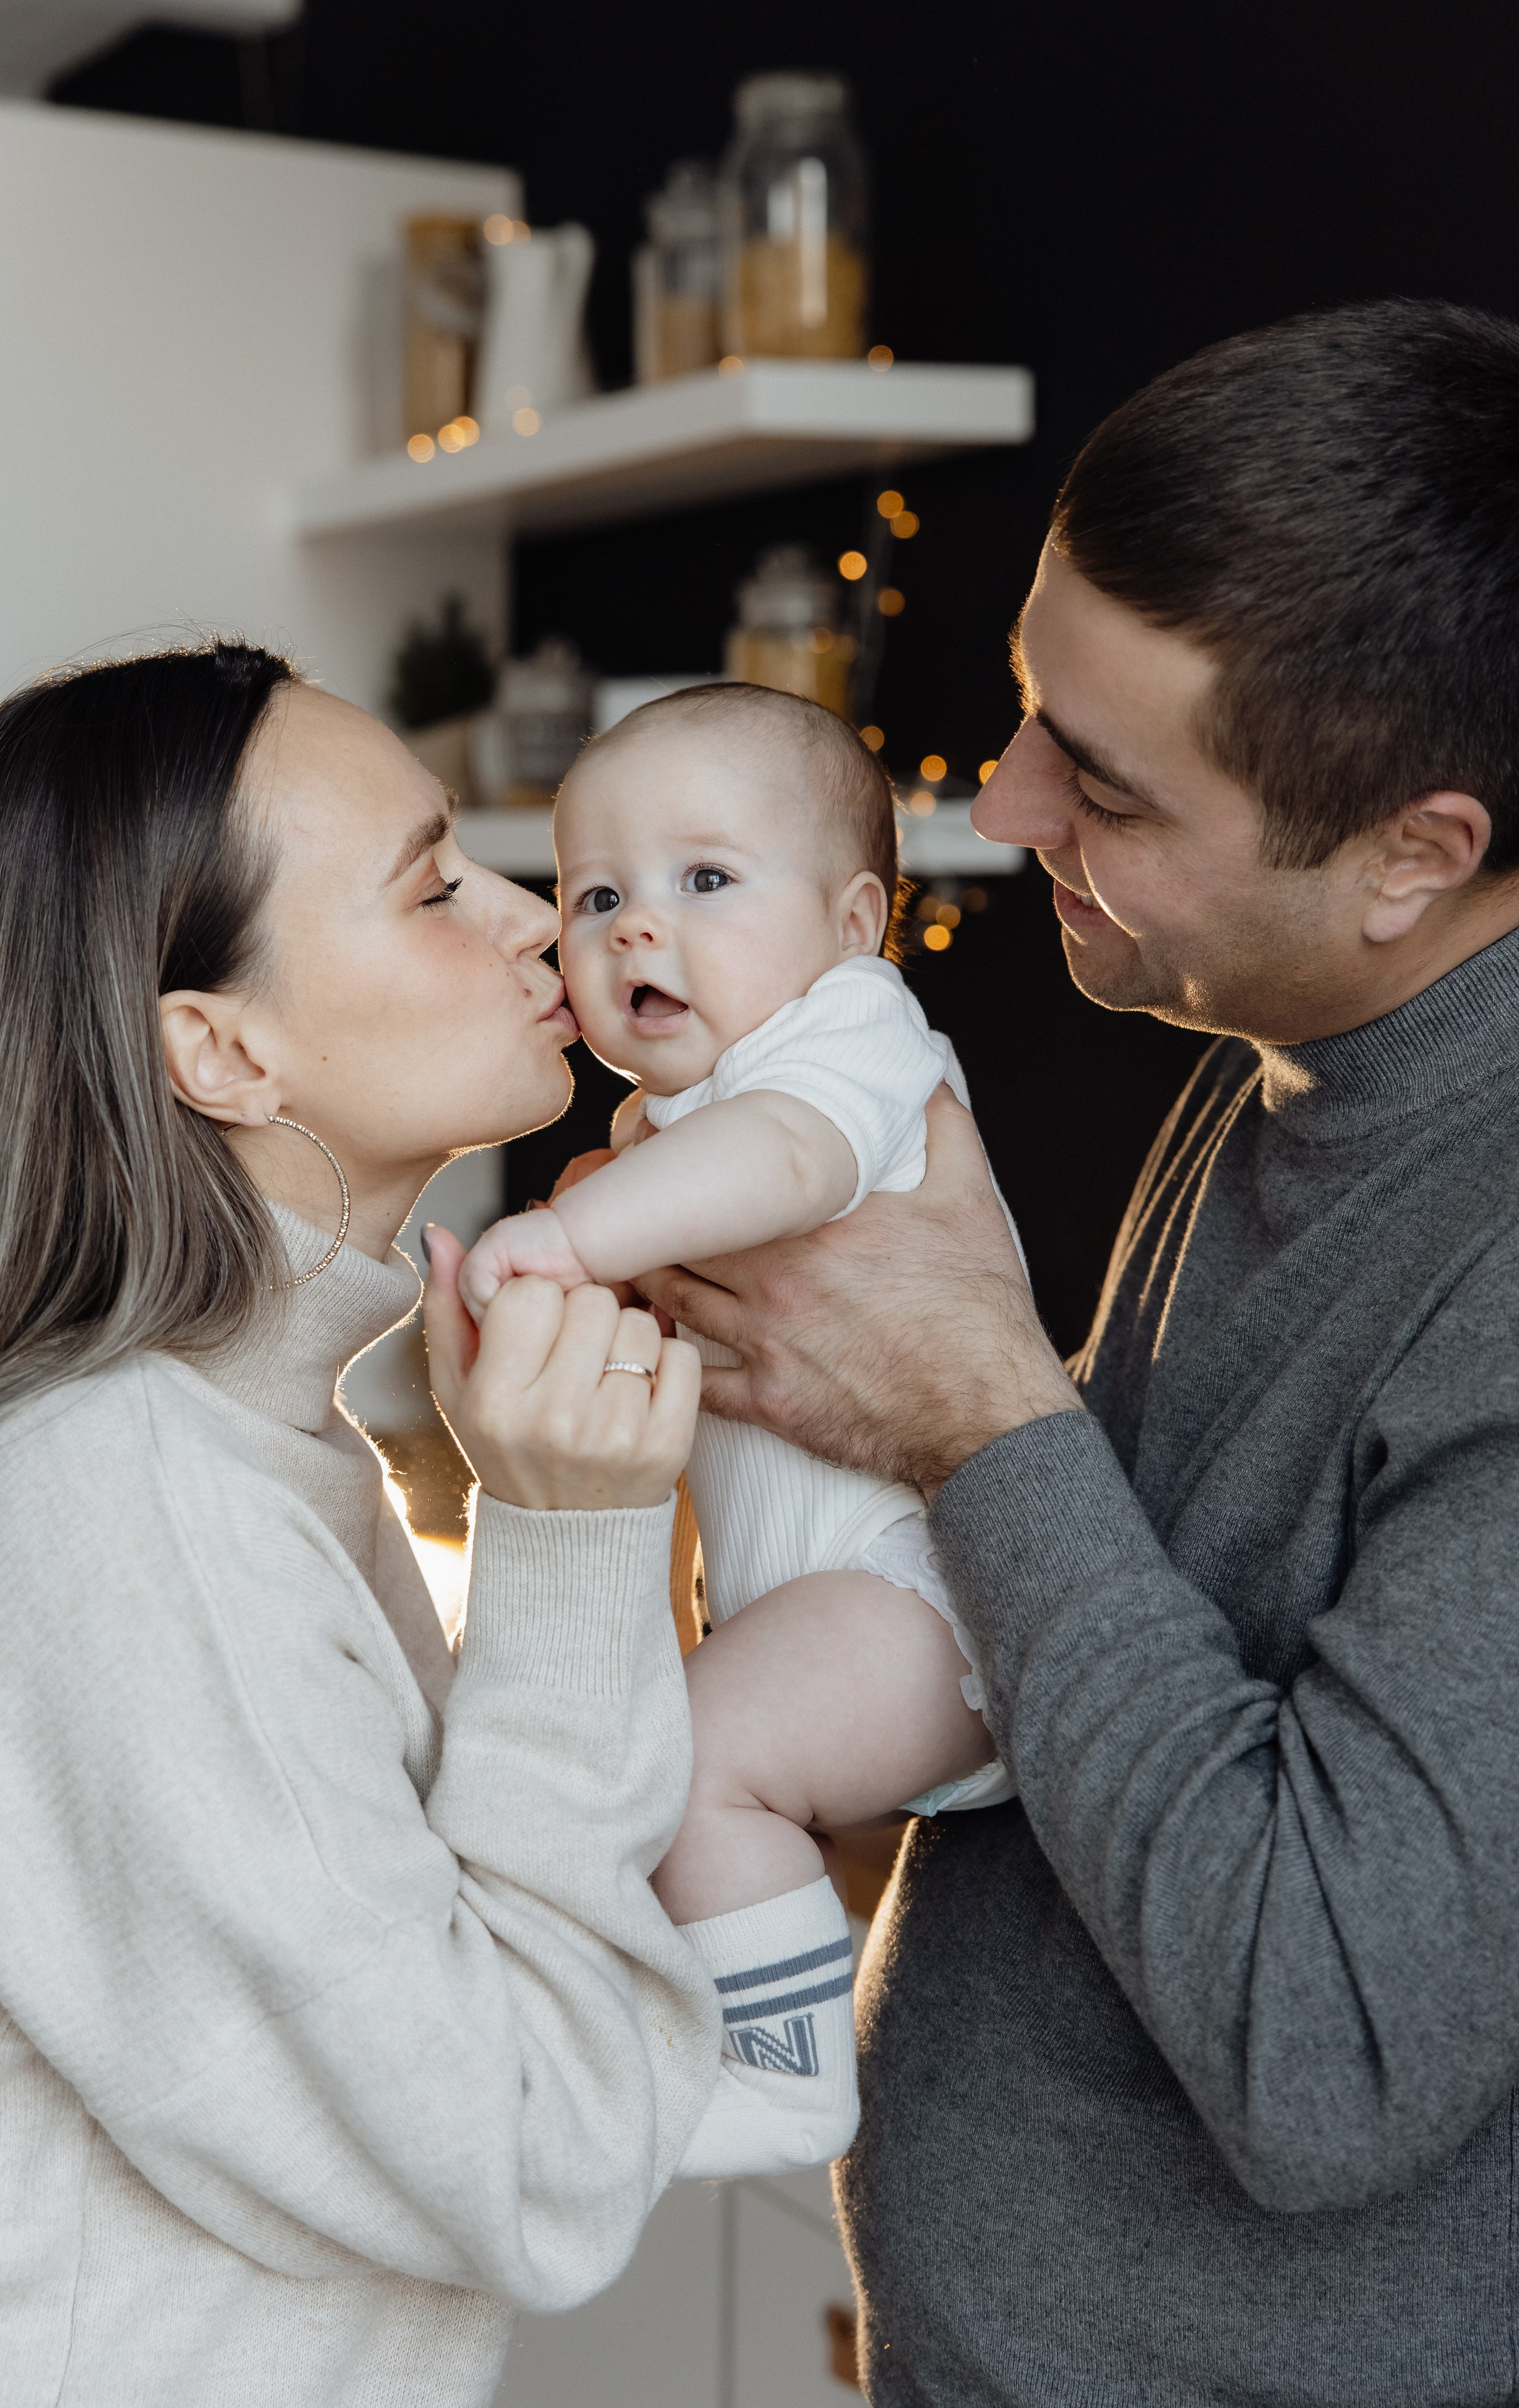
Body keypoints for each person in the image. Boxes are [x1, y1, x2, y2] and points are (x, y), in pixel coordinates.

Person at [634, 298, 1519, 2405]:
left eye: (1102, 784)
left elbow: (1327, 2046)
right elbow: (1111, 1664)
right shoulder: (1276, 1044)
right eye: (1034, 711)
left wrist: (982, 1415)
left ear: (1414, 857)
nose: (1005, 800)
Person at [0, 640, 716, 2407]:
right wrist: (568, 1545)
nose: (533, 919)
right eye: (434, 888)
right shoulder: (121, 1514)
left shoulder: (246, 1445)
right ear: (220, 1049)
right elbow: (531, 2158)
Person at [460, 682, 1015, 2182]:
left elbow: (783, 1163)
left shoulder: (850, 1041)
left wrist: (568, 1240)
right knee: (667, 1764)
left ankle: (786, 2083)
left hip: (929, 1595)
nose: (637, 927)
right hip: (829, 1615)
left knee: (690, 1758)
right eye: (595, 897)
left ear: (852, 926)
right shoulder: (660, 1132)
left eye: (704, 879)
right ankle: (710, 2024)